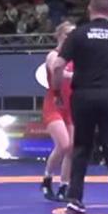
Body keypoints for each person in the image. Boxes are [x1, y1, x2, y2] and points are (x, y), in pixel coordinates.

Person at [50, 0, 108, 214]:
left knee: (81, 148)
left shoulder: (78, 34)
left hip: (83, 95)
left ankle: (75, 200)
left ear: (89, 9)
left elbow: (57, 65)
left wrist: (56, 91)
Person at [41, 22, 77, 201]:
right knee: (63, 145)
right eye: (67, 34)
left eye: (73, 34)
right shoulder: (53, 55)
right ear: (59, 35)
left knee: (71, 149)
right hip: (55, 104)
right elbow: (56, 70)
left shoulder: (77, 58)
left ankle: (64, 186)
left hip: (71, 106)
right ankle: (47, 179)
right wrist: (76, 75)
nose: (70, 37)